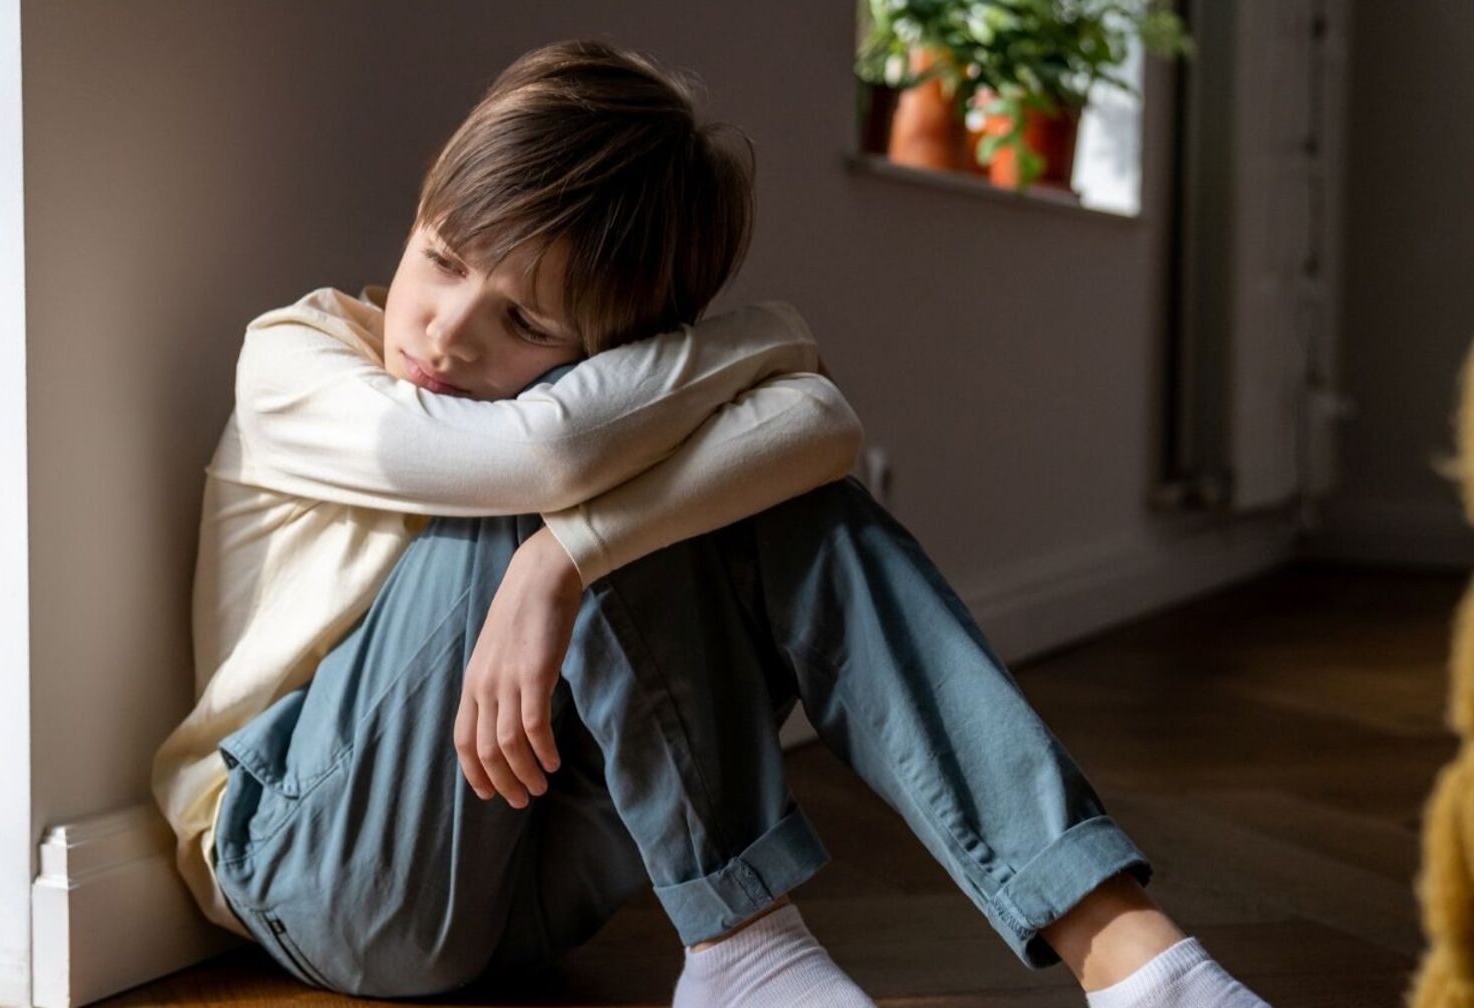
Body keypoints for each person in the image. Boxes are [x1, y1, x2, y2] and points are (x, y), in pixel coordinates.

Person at [150, 37, 1268, 1008]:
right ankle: (745, 944)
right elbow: (551, 455)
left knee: (754, 501)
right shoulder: (295, 361)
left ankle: (1131, 957)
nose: (446, 333)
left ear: (621, 351)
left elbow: (820, 429)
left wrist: (562, 563)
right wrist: (759, 350)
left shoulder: (581, 411)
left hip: (533, 880)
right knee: (596, 488)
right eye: (441, 259)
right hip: (318, 865)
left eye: (526, 323)